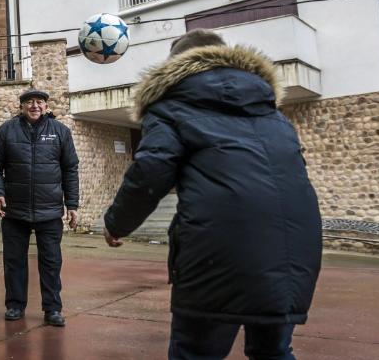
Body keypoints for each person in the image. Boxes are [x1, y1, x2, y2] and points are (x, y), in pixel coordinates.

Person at [103, 29, 322, 360]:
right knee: (274, 351)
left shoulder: (171, 107)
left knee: (195, 352)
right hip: (294, 246)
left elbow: (151, 170)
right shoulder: (272, 114)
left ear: (177, 64)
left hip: (218, 247)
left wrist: (116, 223)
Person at [0, 88, 79, 327]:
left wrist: (72, 204)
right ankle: (15, 305)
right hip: (14, 210)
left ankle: (53, 309)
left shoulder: (60, 132)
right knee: (14, 261)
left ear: (46, 107)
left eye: (39, 102)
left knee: (51, 262)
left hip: (49, 211)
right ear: (21, 107)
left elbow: (70, 169)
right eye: (29, 102)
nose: (34, 106)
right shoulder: (6, 130)